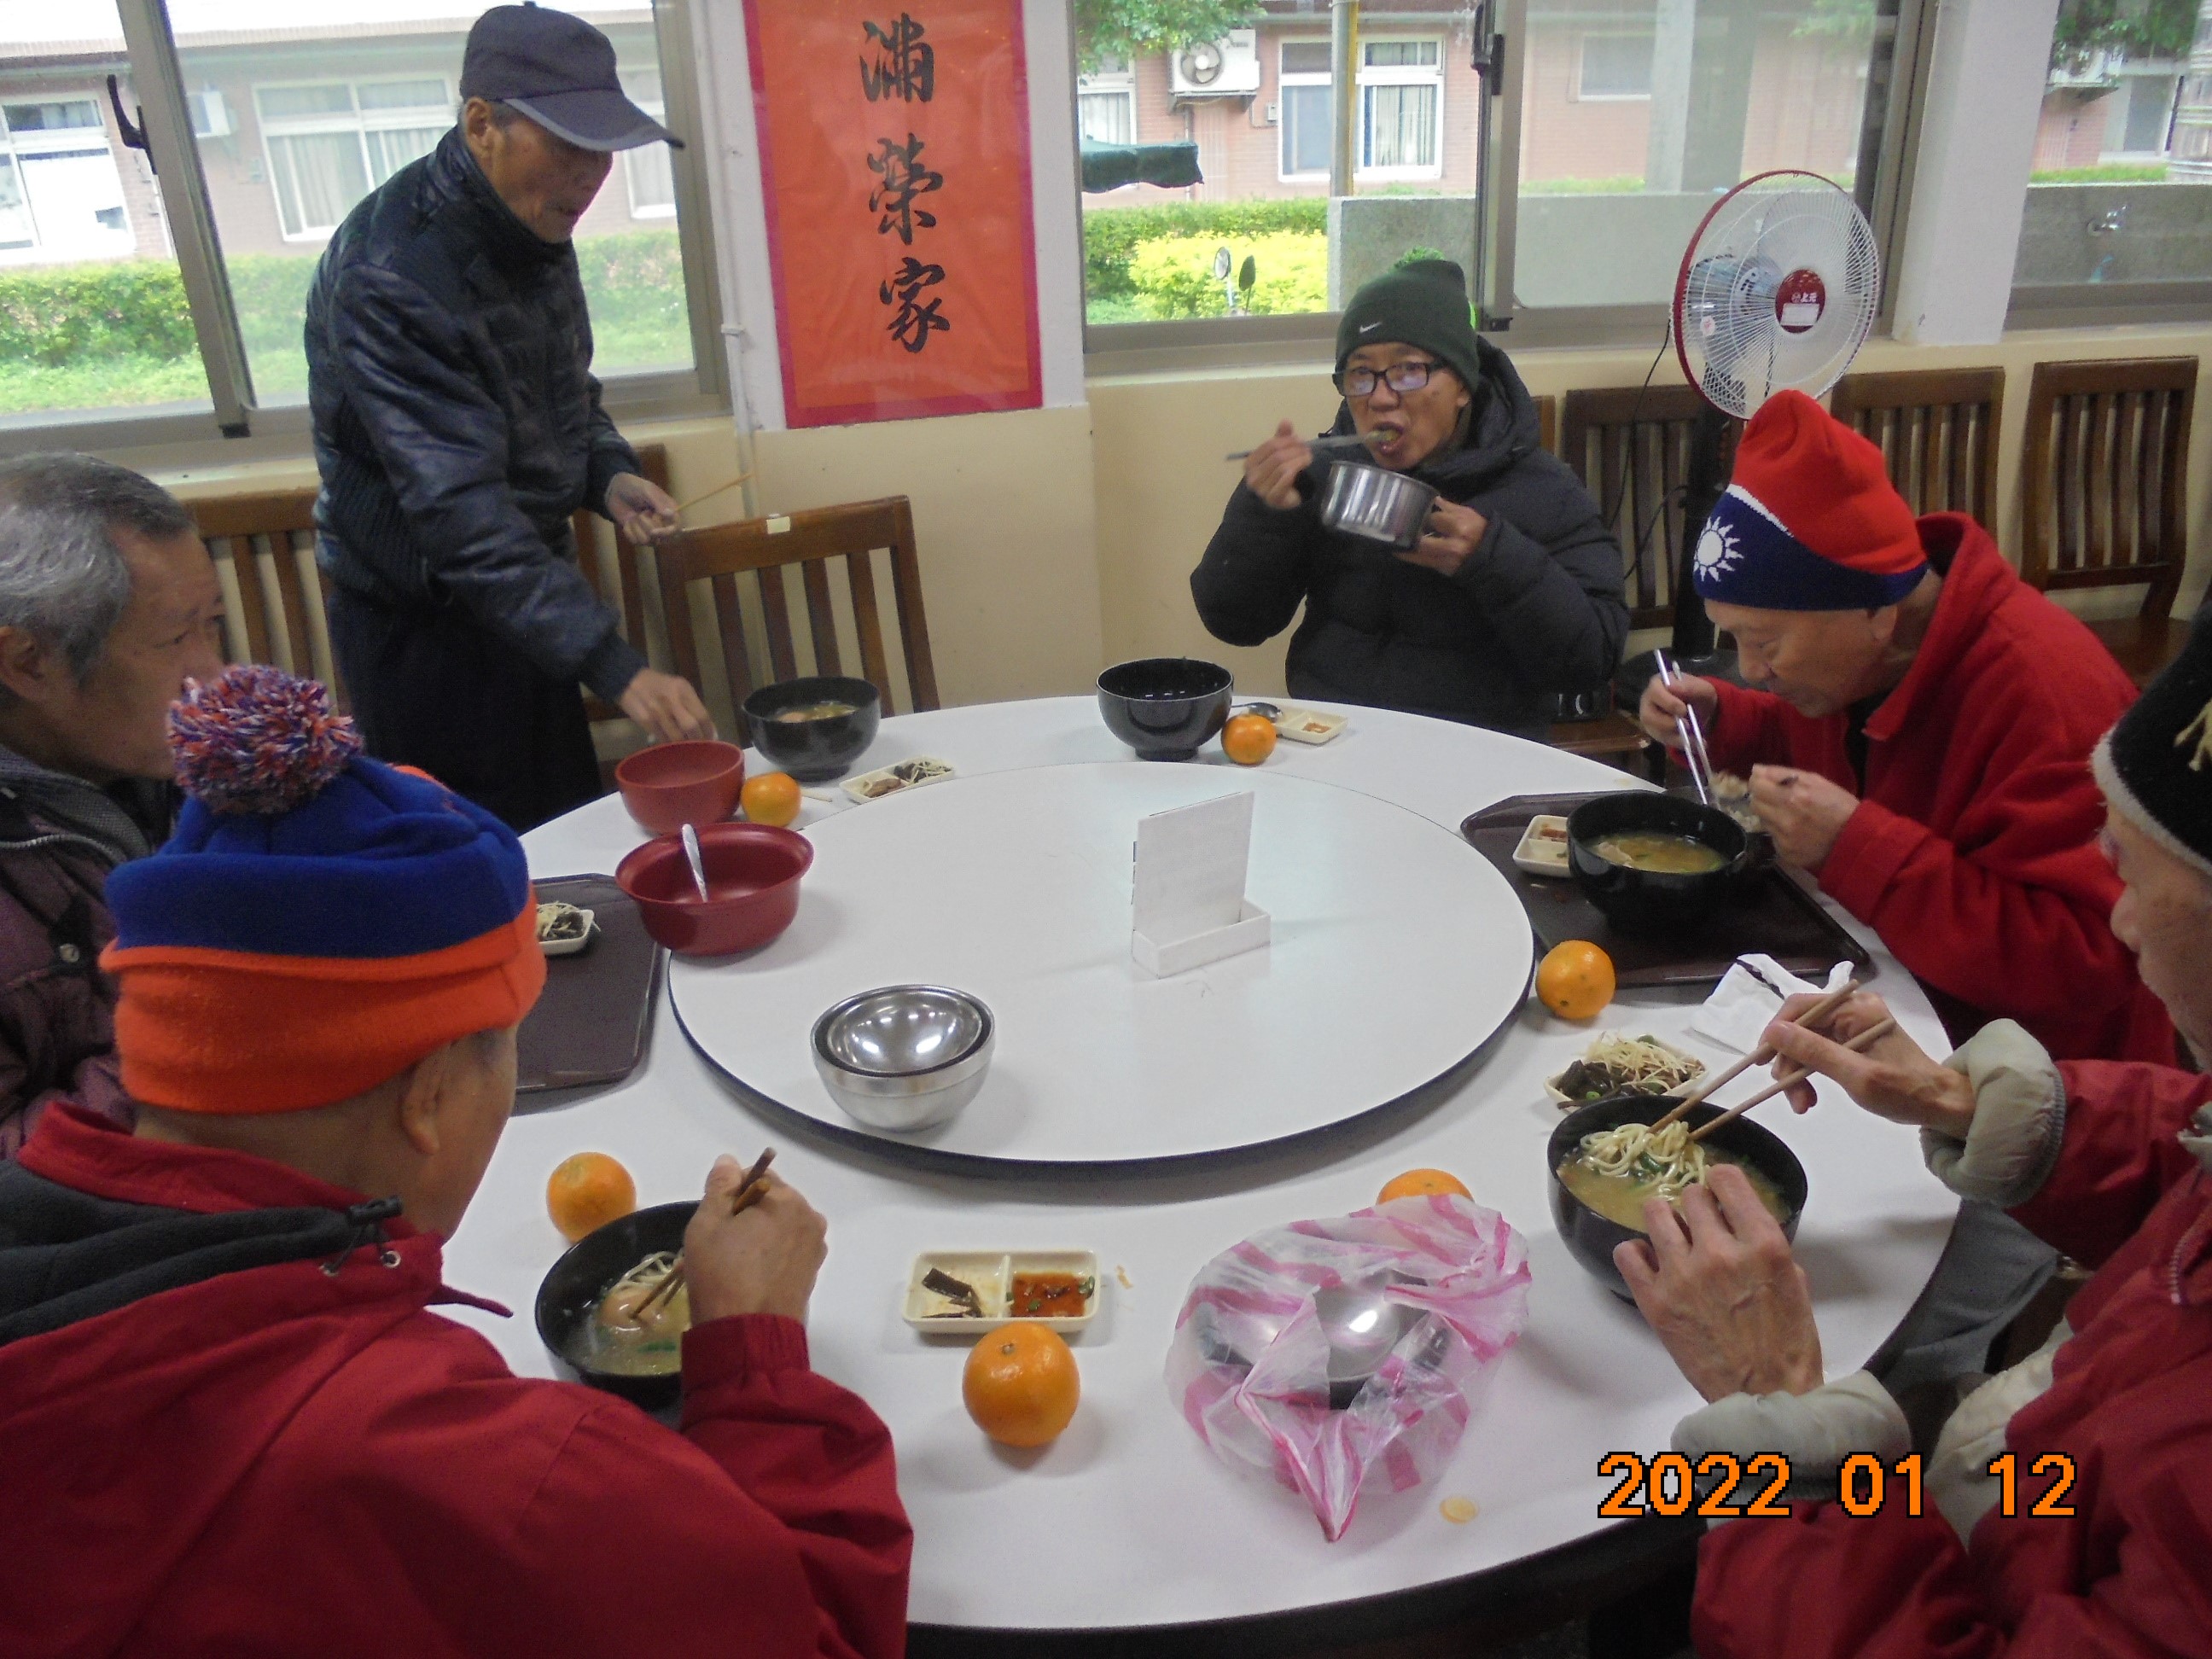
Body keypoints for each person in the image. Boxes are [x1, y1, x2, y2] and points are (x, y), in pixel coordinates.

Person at [0, 666, 910, 1656]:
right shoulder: (496, 1480)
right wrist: (759, 1356)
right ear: (429, 1094)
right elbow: (816, 1629)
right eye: (509, 1045)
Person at [1616, 616, 2212, 1657]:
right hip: (2036, 1489)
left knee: (1649, 1514)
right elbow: (2192, 1152)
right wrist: (1974, 1105)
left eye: (2134, 875)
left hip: (1990, 1543)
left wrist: (1786, 1432)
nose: (2115, 919)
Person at [1638, 389, 2170, 1067]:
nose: (1753, 669)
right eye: (1734, 639)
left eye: (1766, 643)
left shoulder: (2045, 698)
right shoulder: (1865, 661)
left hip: (2041, 1084)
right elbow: (1838, 746)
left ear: (1877, 614)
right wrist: (1724, 718)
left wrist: (1856, 848)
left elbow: (2090, 960)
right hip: (1894, 996)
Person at [306, 3, 714, 833]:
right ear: (482, 123)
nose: (588, 177)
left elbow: (563, 389)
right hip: (426, 631)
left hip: (526, 601)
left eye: (601, 151)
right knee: (470, 857)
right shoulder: (392, 275)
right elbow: (458, 514)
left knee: (561, 837)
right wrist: (618, 666)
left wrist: (609, 472)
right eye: (567, 146)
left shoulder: (530, 225)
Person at [1190, 259, 1627, 739]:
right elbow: (1233, 623)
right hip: (1335, 741)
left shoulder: (1542, 488)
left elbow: (1592, 660)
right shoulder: (1323, 477)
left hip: (1479, 755)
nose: (1380, 398)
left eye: (1409, 370)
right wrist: (1265, 514)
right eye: (1361, 374)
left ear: (1462, 384)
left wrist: (1492, 556)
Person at [0, 454, 224, 1156]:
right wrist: (220, 1025)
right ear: (29, 663)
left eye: (211, 624)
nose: (213, 675)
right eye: (174, 639)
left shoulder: (175, 762)